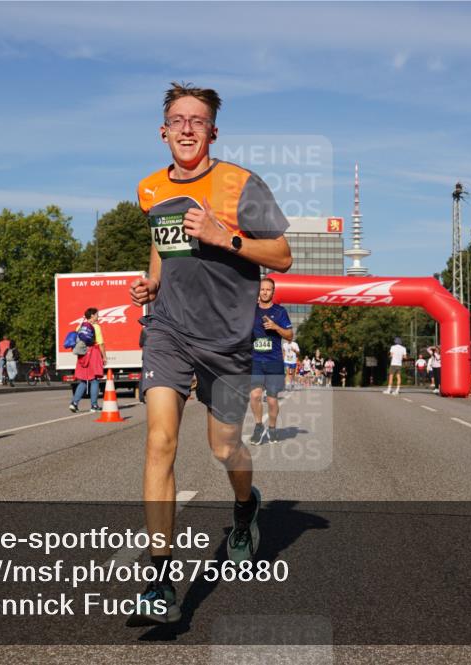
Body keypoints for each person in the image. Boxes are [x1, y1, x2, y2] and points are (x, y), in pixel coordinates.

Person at [128, 82, 291, 625]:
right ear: (163, 130)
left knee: (225, 450)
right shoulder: (149, 189)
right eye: (178, 119)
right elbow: (160, 244)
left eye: (198, 120)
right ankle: (159, 579)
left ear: (213, 130)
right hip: (169, 331)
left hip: (227, 341)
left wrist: (228, 238)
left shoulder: (242, 185)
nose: (188, 128)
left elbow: (283, 256)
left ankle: (245, 507)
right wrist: (152, 286)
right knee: (159, 441)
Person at [248, 277, 293, 445]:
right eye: (262, 289)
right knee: (255, 395)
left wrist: (275, 327)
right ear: (258, 291)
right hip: (256, 360)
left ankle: (272, 427)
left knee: (272, 399)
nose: (265, 292)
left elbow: (289, 336)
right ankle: (259, 426)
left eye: (268, 289)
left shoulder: (280, 311)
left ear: (273, 292)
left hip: (274, 360)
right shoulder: (251, 310)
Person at [70, 308, 107, 412]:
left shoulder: (79, 326)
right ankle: (94, 405)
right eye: (97, 315)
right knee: (94, 380)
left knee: (82, 381)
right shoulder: (96, 327)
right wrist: (104, 356)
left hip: (82, 355)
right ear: (92, 316)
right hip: (93, 353)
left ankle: (74, 403)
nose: (98, 317)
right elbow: (100, 343)